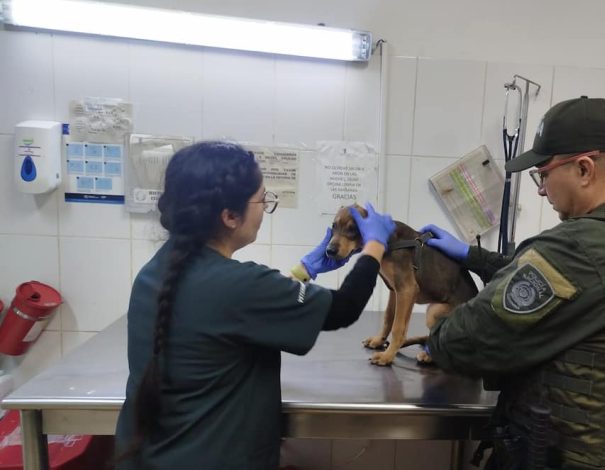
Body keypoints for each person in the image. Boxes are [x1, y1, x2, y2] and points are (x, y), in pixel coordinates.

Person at [421, 97, 605, 469]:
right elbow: (582, 297)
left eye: (543, 174)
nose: (541, 189)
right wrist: (472, 256)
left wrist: (437, 322)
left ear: (585, 169)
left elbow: (461, 344)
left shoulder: (579, 246)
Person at [114, 141, 395, 469]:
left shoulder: (155, 272)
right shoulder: (237, 284)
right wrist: (375, 245)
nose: (265, 207)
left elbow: (238, 311)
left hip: (151, 456)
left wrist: (304, 272)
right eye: (263, 199)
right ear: (230, 216)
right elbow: (343, 309)